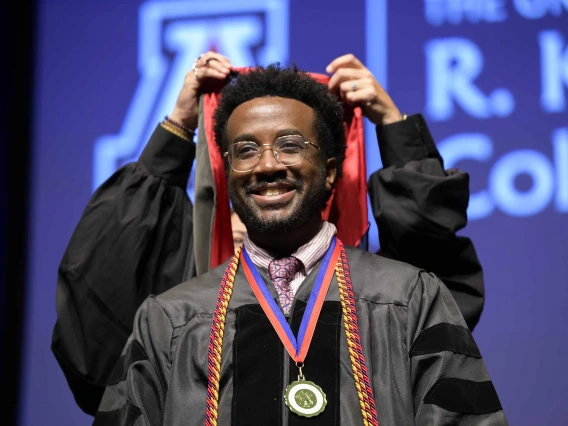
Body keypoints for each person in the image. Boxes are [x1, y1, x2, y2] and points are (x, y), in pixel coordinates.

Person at [52, 52, 484, 416]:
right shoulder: (173, 318)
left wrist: (394, 126)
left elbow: (438, 268)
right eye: (245, 152)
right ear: (229, 184)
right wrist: (180, 126)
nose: (267, 166)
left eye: (291, 145)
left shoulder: (403, 298)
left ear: (331, 174)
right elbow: (95, 332)